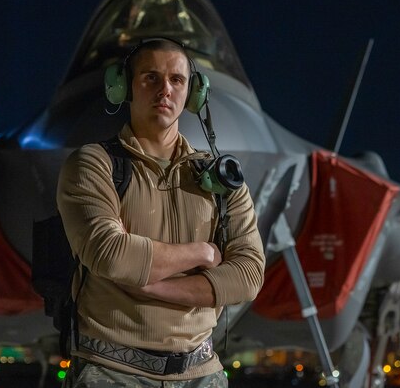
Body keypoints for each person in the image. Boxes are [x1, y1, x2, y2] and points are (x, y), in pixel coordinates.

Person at [56, 38, 265, 387]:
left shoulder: (223, 179)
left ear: (194, 92)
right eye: (150, 77)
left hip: (202, 374)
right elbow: (111, 255)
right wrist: (203, 252)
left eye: (177, 80)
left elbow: (248, 276)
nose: (164, 89)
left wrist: (151, 285)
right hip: (111, 373)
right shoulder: (93, 165)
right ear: (123, 86)